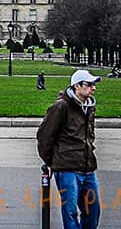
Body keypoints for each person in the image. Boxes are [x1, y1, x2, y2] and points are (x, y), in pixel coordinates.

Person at [36, 69, 102, 229]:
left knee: (93, 211)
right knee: (71, 212)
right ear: (76, 86)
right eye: (89, 84)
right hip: (67, 168)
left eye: (94, 85)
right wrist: (49, 162)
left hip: (88, 167)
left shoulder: (89, 106)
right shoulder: (61, 107)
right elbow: (45, 135)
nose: (93, 88)